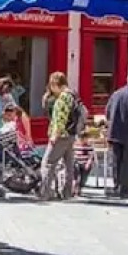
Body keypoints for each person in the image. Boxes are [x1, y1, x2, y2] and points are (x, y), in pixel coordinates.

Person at [41, 72, 83, 200]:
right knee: (68, 165)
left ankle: (46, 192)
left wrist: (54, 135)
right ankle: (66, 193)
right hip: (70, 135)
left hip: (61, 135)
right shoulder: (73, 95)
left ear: (54, 84)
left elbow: (60, 118)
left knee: (48, 163)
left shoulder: (63, 98)